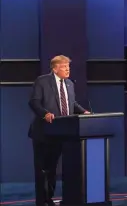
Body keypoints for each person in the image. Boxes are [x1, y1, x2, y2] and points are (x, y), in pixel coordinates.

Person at [28, 55, 90, 206]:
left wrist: (84, 112)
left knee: (57, 169)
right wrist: (45, 114)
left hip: (64, 133)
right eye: (63, 66)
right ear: (54, 68)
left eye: (68, 66)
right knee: (45, 170)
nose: (67, 69)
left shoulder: (69, 84)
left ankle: (54, 199)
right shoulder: (42, 81)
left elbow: (71, 103)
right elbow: (34, 102)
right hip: (44, 133)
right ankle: (42, 201)